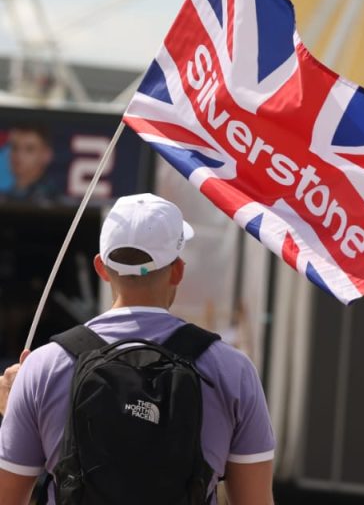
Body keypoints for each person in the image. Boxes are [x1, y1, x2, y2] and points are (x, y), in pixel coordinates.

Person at [0, 192, 276, 505]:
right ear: (178, 270)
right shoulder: (232, 370)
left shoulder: (43, 367)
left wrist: (14, 409)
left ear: (101, 268)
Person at [5, 125, 56, 200]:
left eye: (29, 149)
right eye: (14, 147)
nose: (19, 156)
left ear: (46, 155)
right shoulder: (5, 197)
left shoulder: (54, 201)